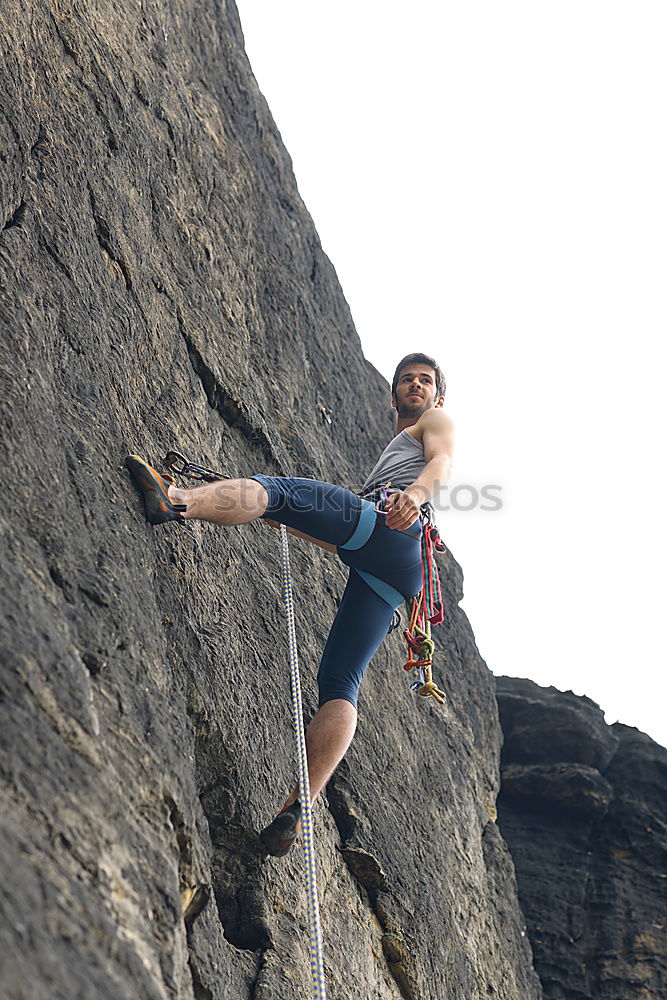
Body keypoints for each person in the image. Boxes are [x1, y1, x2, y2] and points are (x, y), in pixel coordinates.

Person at [126, 352, 454, 856]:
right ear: (392, 397)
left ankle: (176, 500)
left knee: (273, 490)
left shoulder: (436, 420)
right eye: (407, 380)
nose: (416, 386)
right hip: (398, 575)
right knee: (341, 685)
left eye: (425, 381)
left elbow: (442, 460)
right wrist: (284, 520)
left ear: (438, 396)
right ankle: (300, 804)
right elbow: (342, 542)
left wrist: (415, 492)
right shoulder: (399, 441)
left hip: (396, 523)